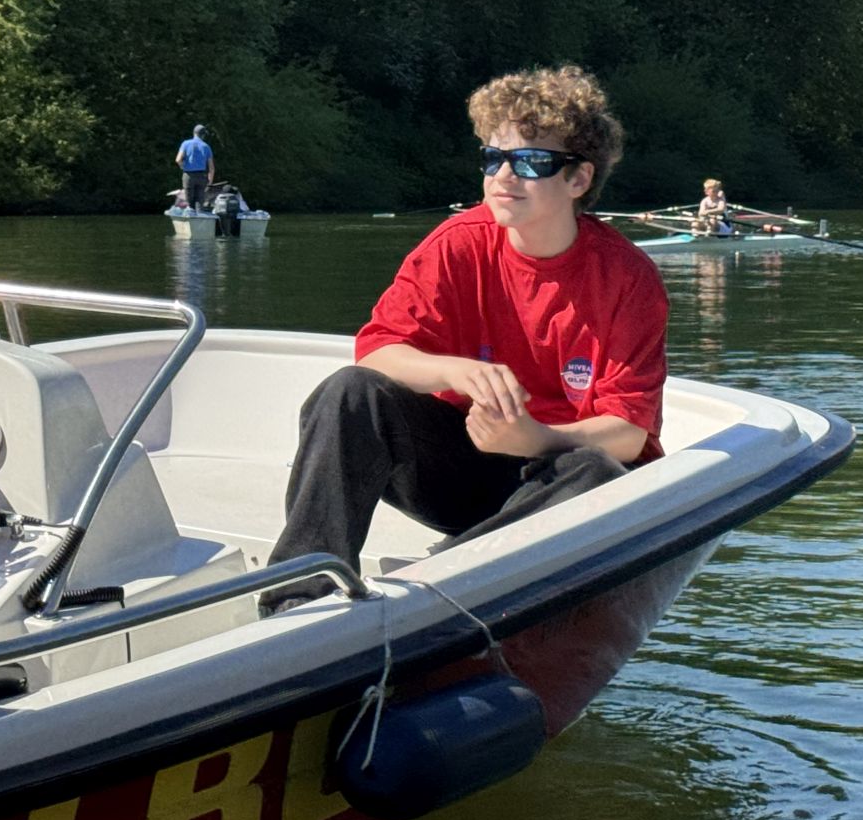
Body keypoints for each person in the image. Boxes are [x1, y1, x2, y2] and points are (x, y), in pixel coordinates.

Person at [264, 64, 667, 608]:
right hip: (463, 468)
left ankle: (446, 582)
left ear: (578, 179)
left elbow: (628, 434)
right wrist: (455, 371)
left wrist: (532, 438)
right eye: (493, 158)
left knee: (595, 470)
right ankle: (298, 595)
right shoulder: (457, 243)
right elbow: (377, 352)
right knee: (350, 391)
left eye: (530, 161)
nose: (504, 177)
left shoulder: (627, 277)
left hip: (559, 480)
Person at [174, 123, 214, 211]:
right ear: (203, 135)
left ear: (194, 133)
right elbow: (211, 168)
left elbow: (178, 160)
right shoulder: (206, 146)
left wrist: (182, 166)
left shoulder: (185, 144)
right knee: (200, 202)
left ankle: (190, 214)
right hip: (202, 177)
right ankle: (199, 215)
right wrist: (210, 182)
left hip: (189, 175)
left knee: (189, 203)